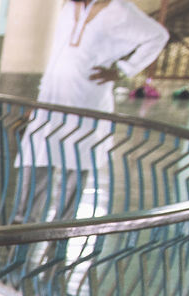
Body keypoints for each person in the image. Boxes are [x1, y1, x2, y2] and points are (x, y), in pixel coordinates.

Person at [13, 0, 167, 225]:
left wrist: (123, 71)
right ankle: (22, 223)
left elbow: (158, 36)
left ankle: (62, 230)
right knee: (37, 158)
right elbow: (56, 56)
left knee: (75, 165)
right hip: (52, 101)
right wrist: (40, 98)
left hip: (87, 101)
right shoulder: (67, 8)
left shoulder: (119, 11)